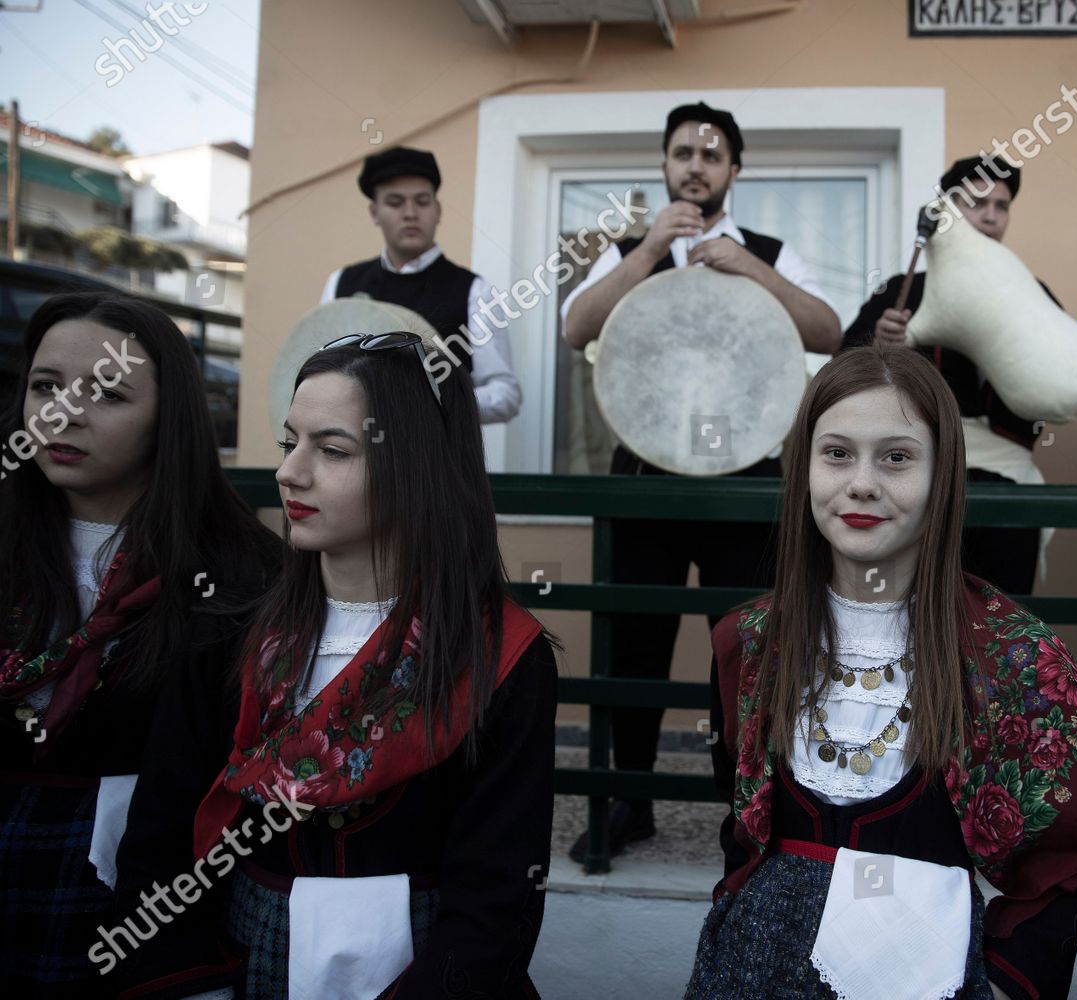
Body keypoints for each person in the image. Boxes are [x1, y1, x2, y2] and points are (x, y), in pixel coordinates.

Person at [113, 333, 559, 997]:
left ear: (417, 466)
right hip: (237, 962)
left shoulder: (500, 658)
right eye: (290, 441)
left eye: (332, 450)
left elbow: (497, 895)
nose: (291, 472)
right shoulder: (228, 637)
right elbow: (161, 842)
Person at [687, 346, 1077, 1000]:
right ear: (804, 468)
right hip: (750, 972)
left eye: (896, 458)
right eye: (837, 453)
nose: (862, 483)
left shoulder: (1005, 654)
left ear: (943, 475)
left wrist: (1008, 976)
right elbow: (740, 822)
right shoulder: (750, 642)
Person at [558, 101, 841, 862]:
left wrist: (750, 267)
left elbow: (827, 330)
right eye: (683, 152)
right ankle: (627, 805)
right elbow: (576, 326)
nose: (696, 165)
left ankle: (742, 813)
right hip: (644, 475)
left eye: (711, 155)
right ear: (663, 164)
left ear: (734, 172)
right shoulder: (632, 246)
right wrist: (650, 247)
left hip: (744, 480)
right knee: (633, 645)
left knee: (746, 649)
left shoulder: (769, 249)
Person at [0, 292, 280, 994]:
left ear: (167, 420)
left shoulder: (239, 572)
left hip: (133, 892)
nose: (64, 412)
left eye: (107, 394)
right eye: (45, 387)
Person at [843, 154, 1056, 596]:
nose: (991, 216)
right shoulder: (902, 291)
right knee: (916, 610)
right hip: (920, 475)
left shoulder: (1035, 295)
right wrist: (876, 347)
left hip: (1006, 480)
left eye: (1001, 206)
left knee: (1002, 615)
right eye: (977, 203)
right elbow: (840, 372)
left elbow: (1056, 383)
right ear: (947, 210)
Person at [320, 145, 523, 423]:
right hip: (358, 459)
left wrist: (436, 401)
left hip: (437, 462)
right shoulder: (341, 284)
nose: (410, 213)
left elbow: (505, 395)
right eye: (394, 202)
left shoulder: (473, 291)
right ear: (374, 212)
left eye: (422, 201)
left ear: (438, 210)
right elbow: (322, 375)